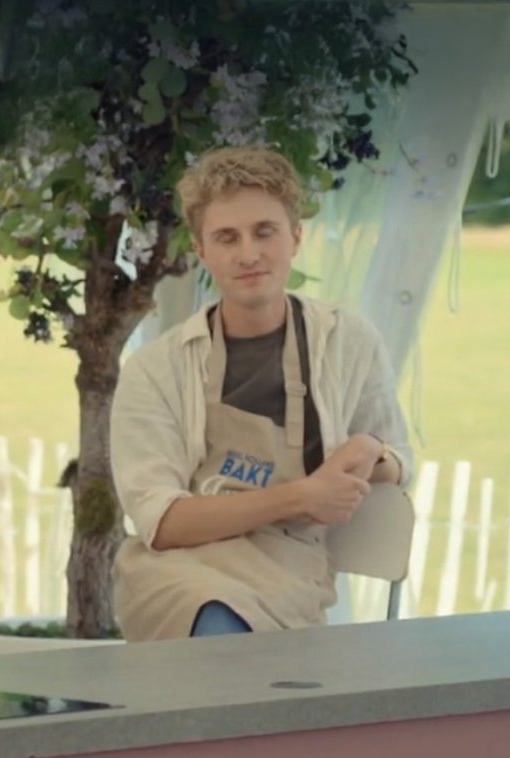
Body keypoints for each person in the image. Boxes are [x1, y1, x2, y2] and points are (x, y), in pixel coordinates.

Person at [112, 146, 412, 640]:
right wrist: (302, 495)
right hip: (177, 568)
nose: (248, 254)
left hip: (290, 564)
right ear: (202, 250)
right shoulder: (155, 369)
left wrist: (370, 452)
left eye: (264, 232)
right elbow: (163, 522)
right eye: (227, 238)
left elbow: (400, 457)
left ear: (295, 236)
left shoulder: (348, 342)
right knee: (213, 621)